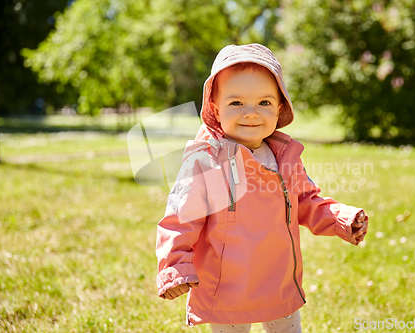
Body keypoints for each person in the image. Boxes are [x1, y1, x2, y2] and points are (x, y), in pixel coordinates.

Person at [156, 43, 369, 333]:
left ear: (280, 108)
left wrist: (341, 218)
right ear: (216, 109)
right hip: (228, 285)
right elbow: (181, 216)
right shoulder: (206, 160)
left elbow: (306, 200)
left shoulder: (284, 156)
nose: (251, 113)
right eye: (236, 103)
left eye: (264, 103)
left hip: (277, 280)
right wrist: (175, 266)